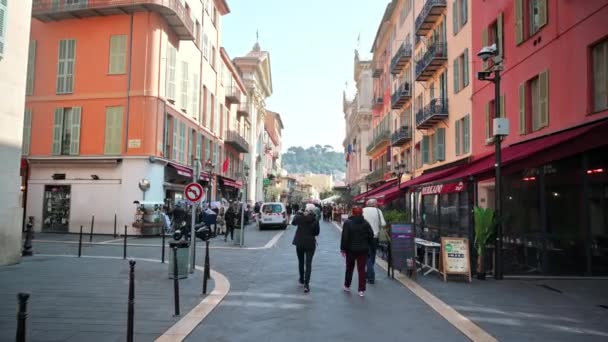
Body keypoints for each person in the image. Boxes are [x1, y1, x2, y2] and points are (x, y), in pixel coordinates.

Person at [341, 207, 374, 297]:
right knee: (362, 270)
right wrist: (367, 243)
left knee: (349, 268)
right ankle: (361, 290)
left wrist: (343, 249)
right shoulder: (366, 223)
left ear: (353, 213)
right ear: (362, 213)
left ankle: (347, 285)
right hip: (363, 250)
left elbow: (345, 237)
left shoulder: (347, 223)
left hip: (350, 250)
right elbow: (371, 235)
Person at [292, 204, 320, 293]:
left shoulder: (300, 217)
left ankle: (301, 279)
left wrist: (299, 213)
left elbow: (293, 222)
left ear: (306, 210)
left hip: (300, 243)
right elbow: (316, 233)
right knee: (308, 264)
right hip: (310, 244)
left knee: (301, 261)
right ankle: (306, 285)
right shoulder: (315, 219)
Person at [362, 198, 386, 284]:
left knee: (366, 256)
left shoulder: (362, 210)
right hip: (375, 237)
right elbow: (383, 224)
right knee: (372, 256)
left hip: (364, 237)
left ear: (367, 204)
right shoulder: (378, 211)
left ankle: (369, 275)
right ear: (375, 204)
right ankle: (370, 275)